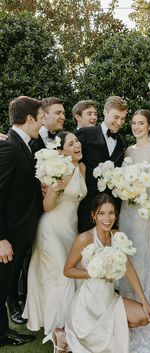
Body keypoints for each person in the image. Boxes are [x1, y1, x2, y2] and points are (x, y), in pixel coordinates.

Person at [60, 193, 150, 353]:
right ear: (93, 216)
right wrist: (92, 273)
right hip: (88, 306)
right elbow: (67, 270)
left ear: (116, 214)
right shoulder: (84, 239)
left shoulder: (117, 236)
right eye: (101, 213)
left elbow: (129, 270)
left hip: (110, 300)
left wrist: (145, 302)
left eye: (111, 212)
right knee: (92, 340)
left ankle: (106, 334)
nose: (107, 218)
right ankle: (66, 337)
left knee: (144, 316)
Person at [23, 132, 87, 339]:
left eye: (77, 141)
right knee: (60, 277)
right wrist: (53, 189)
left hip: (70, 231)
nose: (77, 145)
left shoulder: (82, 168)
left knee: (69, 274)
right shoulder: (60, 171)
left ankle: (71, 325)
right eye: (71, 143)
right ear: (61, 151)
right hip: (50, 230)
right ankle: (56, 329)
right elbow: (47, 207)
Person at [119, 110, 150, 353]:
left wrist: (143, 191)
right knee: (124, 256)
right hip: (126, 211)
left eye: (141, 123)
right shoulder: (128, 151)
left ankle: (143, 303)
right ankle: (126, 307)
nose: (137, 127)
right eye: (134, 123)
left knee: (141, 258)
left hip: (143, 216)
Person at [0, 96, 44, 347]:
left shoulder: (23, 144)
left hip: (21, 231)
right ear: (30, 119)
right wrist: (1, 238)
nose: (42, 124)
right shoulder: (9, 147)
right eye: (40, 118)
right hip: (10, 235)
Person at [76, 96, 128, 233]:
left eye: (123, 119)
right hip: (87, 204)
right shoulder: (85, 134)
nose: (119, 122)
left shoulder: (123, 143)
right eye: (116, 117)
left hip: (111, 209)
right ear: (105, 112)